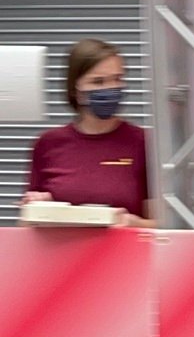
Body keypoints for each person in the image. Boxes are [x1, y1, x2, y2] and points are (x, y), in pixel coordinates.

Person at [22, 38, 154, 227]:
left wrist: (134, 223)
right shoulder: (48, 144)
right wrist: (37, 208)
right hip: (65, 246)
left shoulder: (143, 143)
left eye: (117, 79)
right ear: (76, 90)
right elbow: (26, 227)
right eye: (98, 81)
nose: (110, 88)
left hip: (124, 246)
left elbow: (164, 226)